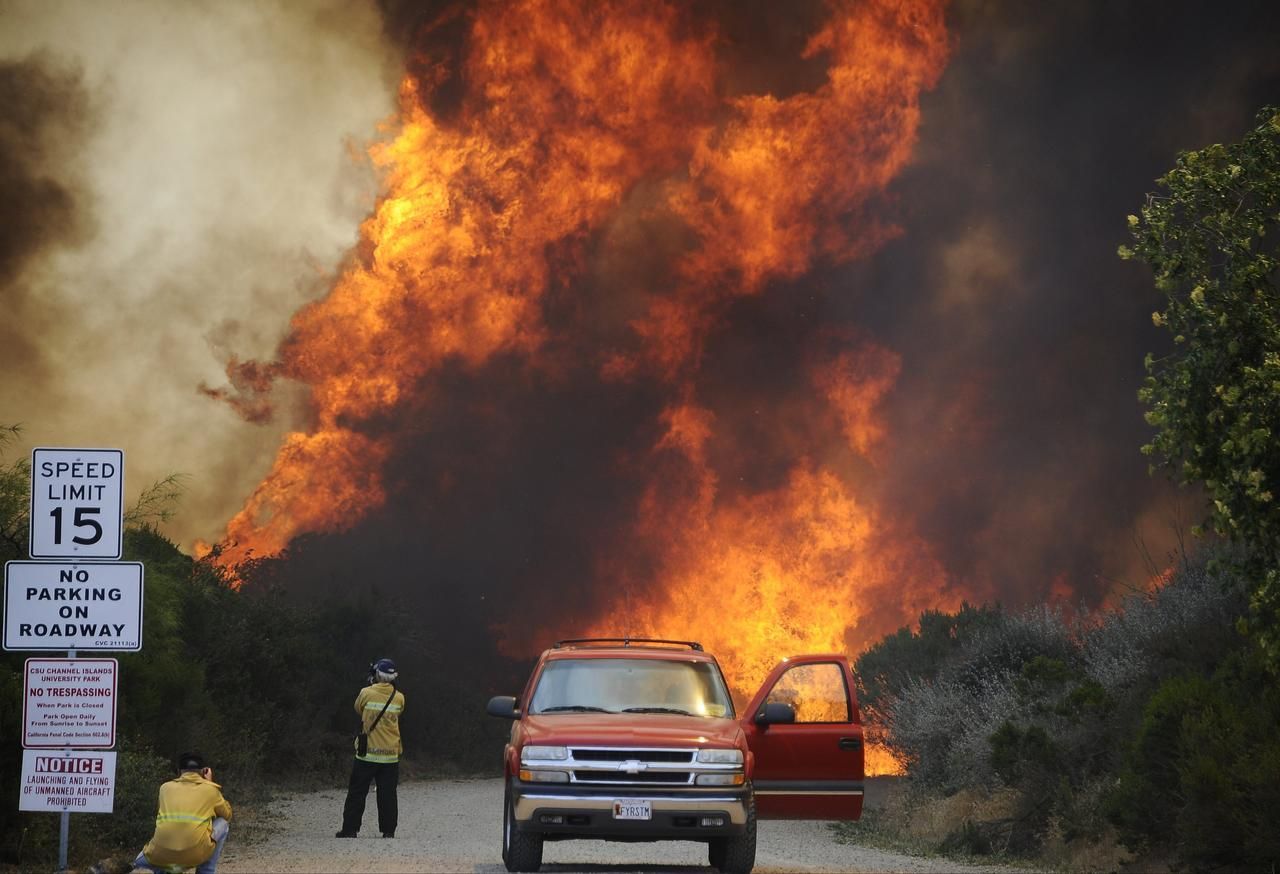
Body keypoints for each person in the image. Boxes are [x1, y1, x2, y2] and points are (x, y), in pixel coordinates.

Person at [336, 657, 405, 838]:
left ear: (376, 675)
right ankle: (388, 831)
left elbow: (358, 709)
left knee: (357, 792)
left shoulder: (366, 693)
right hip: (390, 755)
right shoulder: (399, 697)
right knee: (388, 795)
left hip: (366, 754)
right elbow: (400, 712)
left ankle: (350, 829)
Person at [132, 752, 232, 874]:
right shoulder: (210, 790)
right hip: (194, 855)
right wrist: (209, 783)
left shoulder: (164, 788)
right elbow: (227, 815)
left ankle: (171, 869)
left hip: (159, 854)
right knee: (223, 823)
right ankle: (206, 870)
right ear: (203, 771)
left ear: (179, 771)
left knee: (136, 865)